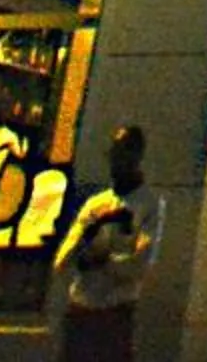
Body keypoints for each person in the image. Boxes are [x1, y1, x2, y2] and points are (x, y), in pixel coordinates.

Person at [54, 126, 163, 362]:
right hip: (81, 309)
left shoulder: (149, 205)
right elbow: (63, 258)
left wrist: (102, 260)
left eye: (122, 154)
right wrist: (89, 255)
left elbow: (139, 264)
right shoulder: (96, 204)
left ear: (136, 157)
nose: (115, 161)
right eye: (113, 154)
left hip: (115, 312)